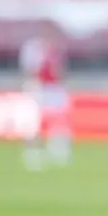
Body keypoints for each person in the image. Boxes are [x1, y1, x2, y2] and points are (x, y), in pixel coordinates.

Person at [19, 34, 72, 170]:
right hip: (40, 88)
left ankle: (58, 151)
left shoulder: (56, 50)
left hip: (55, 89)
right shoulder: (33, 48)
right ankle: (33, 153)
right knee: (34, 123)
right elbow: (30, 70)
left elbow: (60, 71)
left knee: (59, 122)